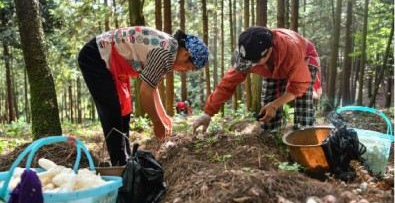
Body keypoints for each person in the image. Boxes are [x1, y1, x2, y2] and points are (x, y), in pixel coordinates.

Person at [78, 26, 208, 166]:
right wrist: (157, 123)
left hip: (111, 60)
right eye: (188, 68)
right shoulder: (164, 53)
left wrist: (163, 115)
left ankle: (125, 160)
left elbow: (152, 87)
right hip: (96, 56)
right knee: (112, 111)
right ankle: (120, 164)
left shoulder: (170, 50)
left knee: (124, 111)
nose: (184, 71)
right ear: (186, 55)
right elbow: (145, 93)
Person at [193, 26, 321, 135]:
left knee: (303, 101)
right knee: (268, 102)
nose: (248, 66)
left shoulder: (291, 51)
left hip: (304, 57)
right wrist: (207, 113)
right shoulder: (250, 51)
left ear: (268, 51)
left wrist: (276, 105)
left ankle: (305, 139)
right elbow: (227, 84)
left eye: (253, 63)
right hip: (273, 67)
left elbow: (299, 85)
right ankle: (270, 137)